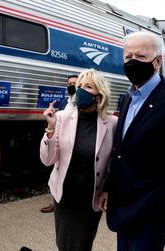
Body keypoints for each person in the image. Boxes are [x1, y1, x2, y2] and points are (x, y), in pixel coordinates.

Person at [99, 31, 165, 251]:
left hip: (149, 217)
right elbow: (121, 152)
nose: (132, 62)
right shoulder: (128, 98)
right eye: (128, 57)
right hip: (123, 209)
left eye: (140, 56)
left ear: (156, 62)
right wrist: (109, 187)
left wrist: (156, 205)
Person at [40, 69, 117, 251]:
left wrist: (108, 189)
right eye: (79, 86)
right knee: (65, 244)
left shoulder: (111, 123)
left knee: (83, 244)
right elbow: (47, 160)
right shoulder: (61, 118)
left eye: (88, 86)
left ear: (99, 96)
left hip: (91, 198)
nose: (81, 90)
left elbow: (116, 161)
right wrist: (50, 129)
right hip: (65, 195)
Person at [41, 74, 78, 214]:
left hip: (71, 142)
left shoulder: (81, 102)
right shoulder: (63, 102)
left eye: (75, 83)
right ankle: (54, 202)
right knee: (55, 171)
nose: (71, 85)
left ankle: (65, 203)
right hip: (57, 139)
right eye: (69, 83)